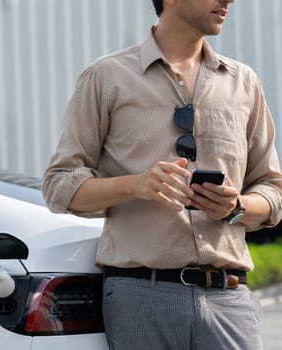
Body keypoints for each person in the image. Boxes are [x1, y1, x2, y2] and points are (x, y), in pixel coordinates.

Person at [43, 0, 282, 349]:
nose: (229, 0)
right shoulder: (106, 77)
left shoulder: (243, 82)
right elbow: (58, 185)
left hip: (229, 303)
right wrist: (137, 185)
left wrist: (237, 206)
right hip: (141, 299)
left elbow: (273, 191)